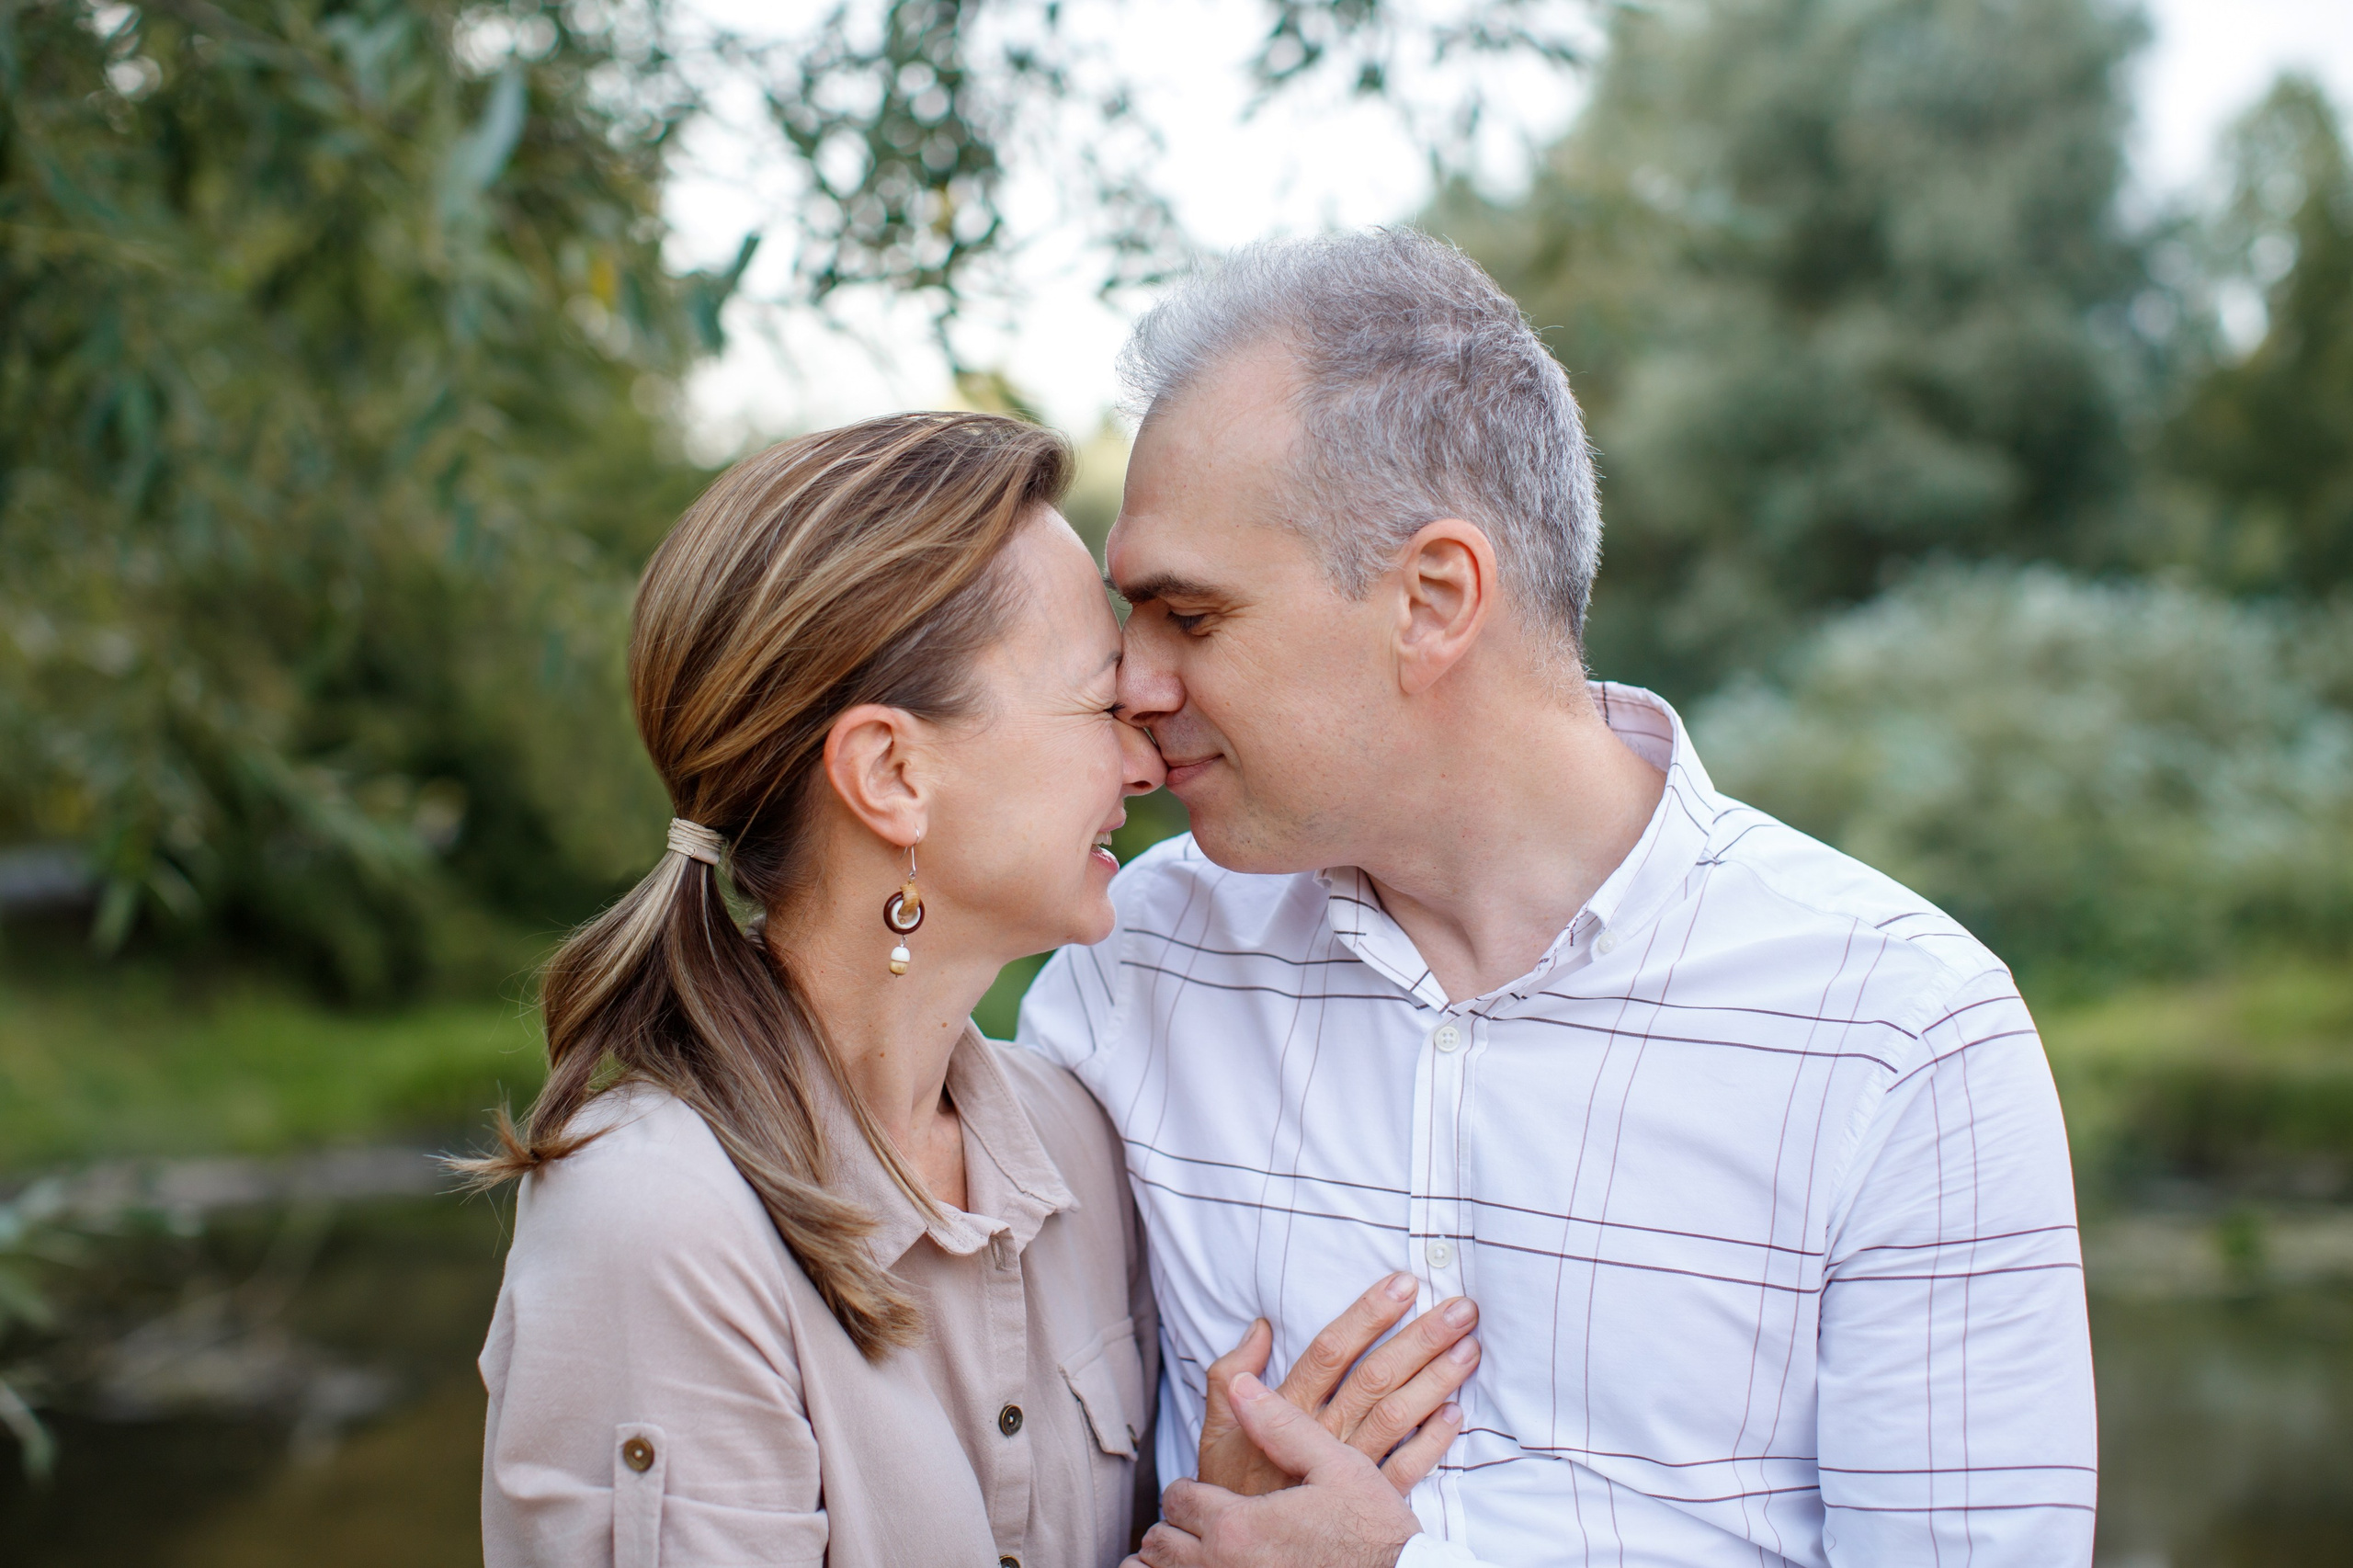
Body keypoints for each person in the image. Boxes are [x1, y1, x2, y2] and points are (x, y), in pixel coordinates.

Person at [1017, 230, 2098, 1568]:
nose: (1135, 681)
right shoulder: (1134, 969)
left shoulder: (1900, 1037)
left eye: (1193, 615)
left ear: (1433, 597)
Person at [461, 411, 1476, 1568]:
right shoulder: (654, 1221)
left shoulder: (1079, 1146)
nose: (1145, 760)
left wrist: (1217, 1518)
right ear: (892, 772)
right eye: (1102, 706)